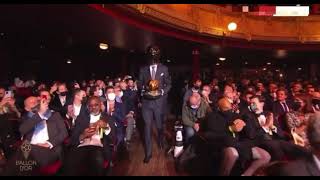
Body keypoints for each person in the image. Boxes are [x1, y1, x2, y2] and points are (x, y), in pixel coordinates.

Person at [204, 98, 271, 176]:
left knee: (265, 156)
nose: (228, 110)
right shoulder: (212, 117)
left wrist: (244, 126)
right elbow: (210, 135)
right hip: (223, 144)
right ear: (219, 108)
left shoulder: (236, 116)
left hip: (240, 144)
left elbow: (249, 134)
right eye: (225, 109)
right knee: (233, 153)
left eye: (229, 108)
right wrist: (230, 129)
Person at [3, 96, 68, 175]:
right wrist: (40, 114)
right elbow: (22, 130)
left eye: (37, 101)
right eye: (32, 102)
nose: (35, 103)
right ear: (27, 108)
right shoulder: (25, 118)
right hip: (30, 150)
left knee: (20, 158)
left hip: (49, 150)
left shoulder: (54, 115)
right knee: (23, 163)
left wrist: (49, 143)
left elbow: (64, 133)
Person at [64, 96, 115, 176]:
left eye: (96, 105)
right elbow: (73, 139)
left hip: (99, 147)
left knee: (97, 160)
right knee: (70, 160)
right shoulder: (81, 118)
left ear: (101, 105)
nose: (93, 107)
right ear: (87, 107)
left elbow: (113, 139)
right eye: (91, 106)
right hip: (82, 146)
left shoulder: (107, 118)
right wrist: (83, 135)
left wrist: (106, 128)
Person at [138, 45, 171, 163]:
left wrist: (162, 91)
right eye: (151, 53)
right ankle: (148, 153)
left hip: (159, 103)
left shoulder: (164, 69)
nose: (153, 55)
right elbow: (140, 84)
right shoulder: (143, 69)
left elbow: (168, 84)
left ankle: (161, 140)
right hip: (146, 103)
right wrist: (143, 90)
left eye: (155, 53)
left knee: (159, 126)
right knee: (147, 127)